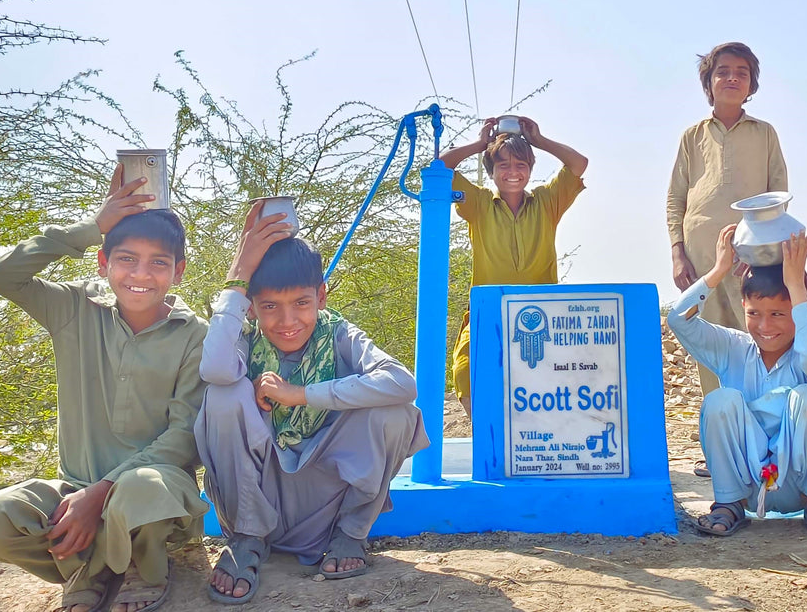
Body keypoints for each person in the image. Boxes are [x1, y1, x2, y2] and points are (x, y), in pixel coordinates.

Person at [0, 166, 209, 612]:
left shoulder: (196, 334)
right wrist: (92, 227)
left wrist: (100, 494)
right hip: (72, 491)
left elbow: (183, 438)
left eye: (158, 262)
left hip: (152, 494)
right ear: (103, 262)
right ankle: (86, 567)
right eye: (126, 258)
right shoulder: (73, 309)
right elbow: (1, 276)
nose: (141, 274)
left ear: (178, 271)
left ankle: (144, 565)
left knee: (142, 486)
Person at [194, 203, 428, 604]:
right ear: (251, 306)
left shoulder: (338, 333)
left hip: (323, 508)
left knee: (395, 412)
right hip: (259, 503)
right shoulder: (244, 337)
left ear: (321, 296)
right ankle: (246, 541)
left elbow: (401, 383)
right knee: (224, 394)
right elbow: (215, 369)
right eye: (269, 306)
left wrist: (300, 395)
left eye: (301, 303)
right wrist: (237, 278)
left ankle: (351, 536)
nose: (288, 321)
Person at [667, 225, 807, 538]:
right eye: (755, 313)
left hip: (799, 486)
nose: (765, 326)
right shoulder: (732, 347)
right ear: (743, 308)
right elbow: (678, 319)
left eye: (779, 314)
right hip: (746, 484)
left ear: (799, 308)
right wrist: (720, 269)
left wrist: (795, 283)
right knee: (718, 401)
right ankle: (727, 505)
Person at [666, 42, 788, 405]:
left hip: (752, 257)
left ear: (752, 85)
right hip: (701, 258)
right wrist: (677, 253)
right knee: (709, 343)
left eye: (742, 73)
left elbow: (778, 195)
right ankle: (720, 439)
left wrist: (769, 251)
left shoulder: (765, 133)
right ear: (709, 83)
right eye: (723, 71)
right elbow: (676, 198)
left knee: (759, 337)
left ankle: (761, 435)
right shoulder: (692, 136)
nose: (732, 78)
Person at [441, 116, 588, 416]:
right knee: (465, 373)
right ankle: (487, 438)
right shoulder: (479, 203)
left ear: (531, 170)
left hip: (541, 314)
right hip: (488, 310)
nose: (512, 172)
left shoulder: (547, 201)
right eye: (503, 165)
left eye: (521, 165)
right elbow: (440, 167)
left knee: (543, 381)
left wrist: (540, 140)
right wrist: (479, 144)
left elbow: (579, 164)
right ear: (492, 172)